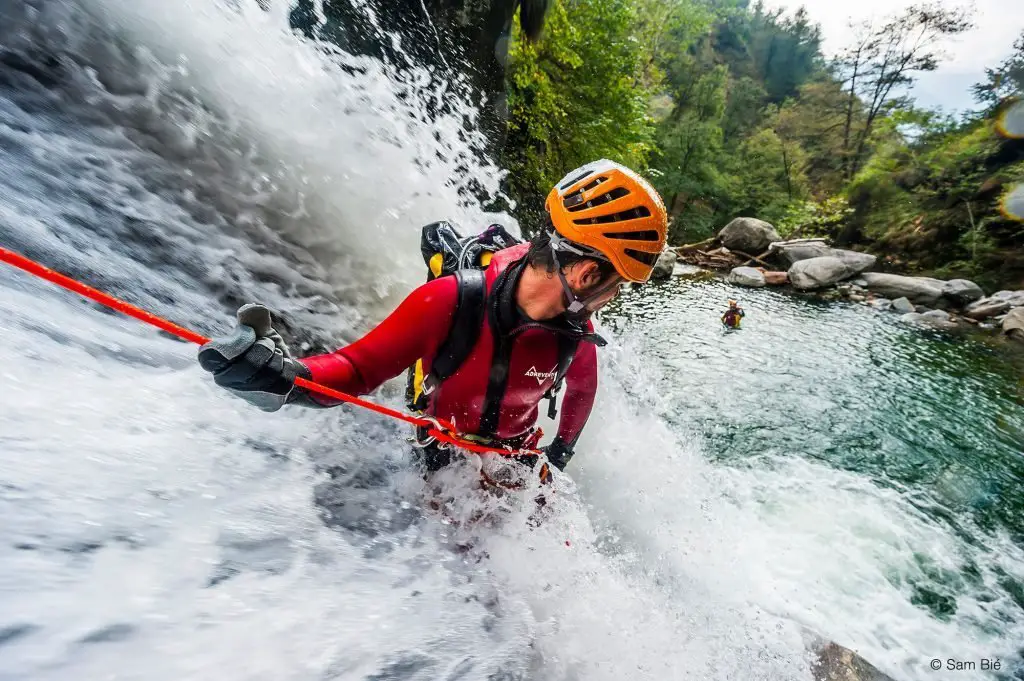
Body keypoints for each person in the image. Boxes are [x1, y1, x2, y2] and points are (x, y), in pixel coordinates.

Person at [197, 159, 668, 480]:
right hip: (441, 451)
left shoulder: (576, 328)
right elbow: (356, 371)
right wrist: (284, 378)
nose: (614, 297)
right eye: (617, 284)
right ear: (586, 274)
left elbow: (583, 390)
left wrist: (558, 457)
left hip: (517, 457)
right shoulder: (447, 301)